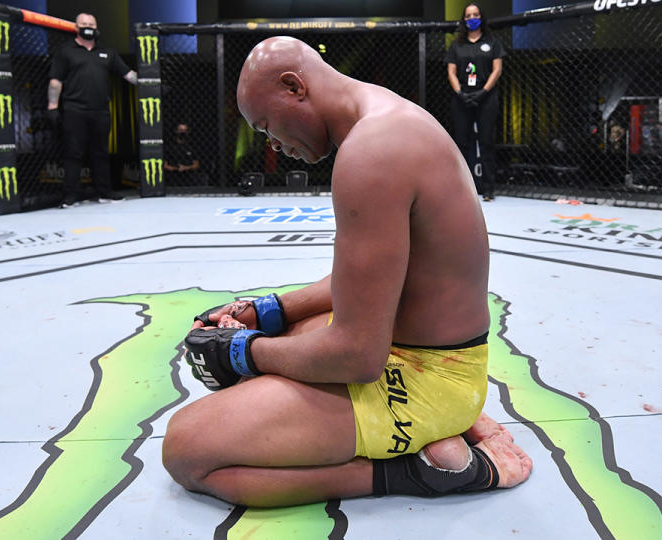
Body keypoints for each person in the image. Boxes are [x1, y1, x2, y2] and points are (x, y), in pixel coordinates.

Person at [162, 36, 532, 508]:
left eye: (266, 126)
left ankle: (424, 472)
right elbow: (367, 288)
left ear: (294, 86)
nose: (272, 143)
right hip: (439, 360)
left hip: (426, 381)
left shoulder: (373, 151)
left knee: (187, 449)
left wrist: (243, 353)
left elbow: (358, 356)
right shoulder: (385, 119)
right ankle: (443, 428)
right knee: (288, 336)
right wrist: (269, 311)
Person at [47, 13, 137, 207]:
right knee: (74, 153)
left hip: (101, 111)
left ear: (96, 27)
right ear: (76, 27)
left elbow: (128, 75)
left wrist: (152, 83)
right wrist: (52, 107)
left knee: (101, 153)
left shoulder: (107, 52)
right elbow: (56, 80)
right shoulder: (66, 51)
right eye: (84, 24)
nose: (88, 27)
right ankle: (70, 196)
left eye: (91, 24)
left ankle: (104, 192)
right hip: (74, 109)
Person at [446, 3, 506, 202]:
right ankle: (461, 188)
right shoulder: (457, 45)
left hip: (486, 96)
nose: (472, 18)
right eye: (469, 15)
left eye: (476, 14)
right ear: (464, 19)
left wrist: (483, 92)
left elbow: (497, 70)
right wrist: (460, 92)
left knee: (486, 141)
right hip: (462, 96)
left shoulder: (492, 42)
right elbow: (451, 72)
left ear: (481, 17)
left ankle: (488, 189)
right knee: (462, 142)